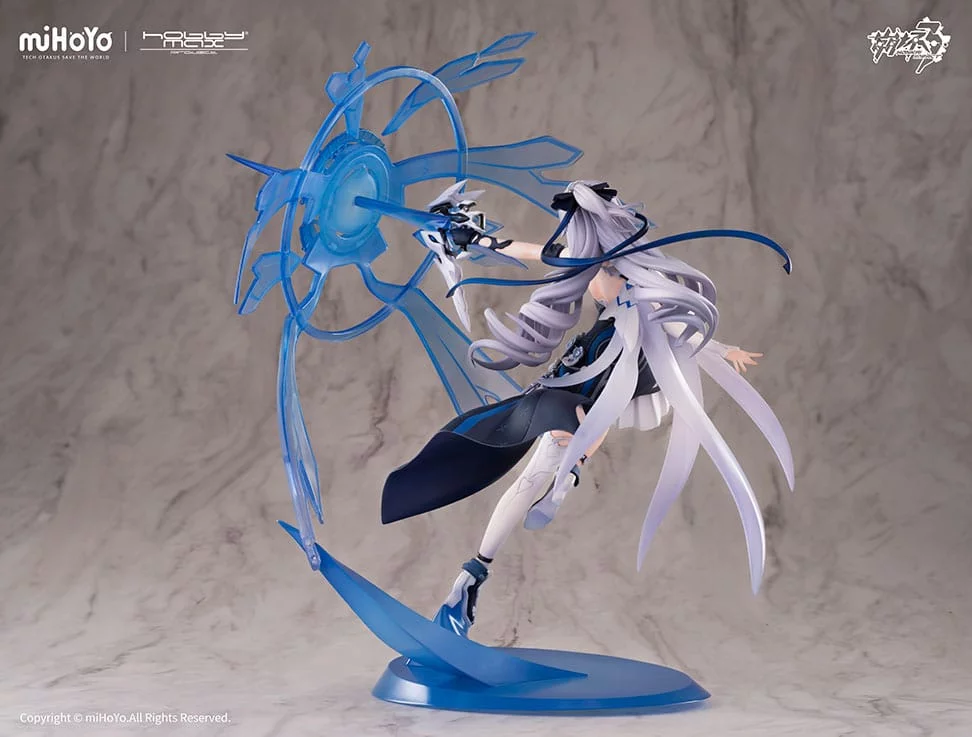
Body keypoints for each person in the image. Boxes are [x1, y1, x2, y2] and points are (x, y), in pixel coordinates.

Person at [380, 180, 795, 637]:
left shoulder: (630, 279)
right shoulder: (602, 267)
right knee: (551, 455)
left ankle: (492, 554)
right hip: (582, 381)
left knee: (554, 457)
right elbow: (536, 253)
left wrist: (722, 348)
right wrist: (477, 241)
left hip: (602, 380)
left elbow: (676, 326)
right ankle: (544, 500)